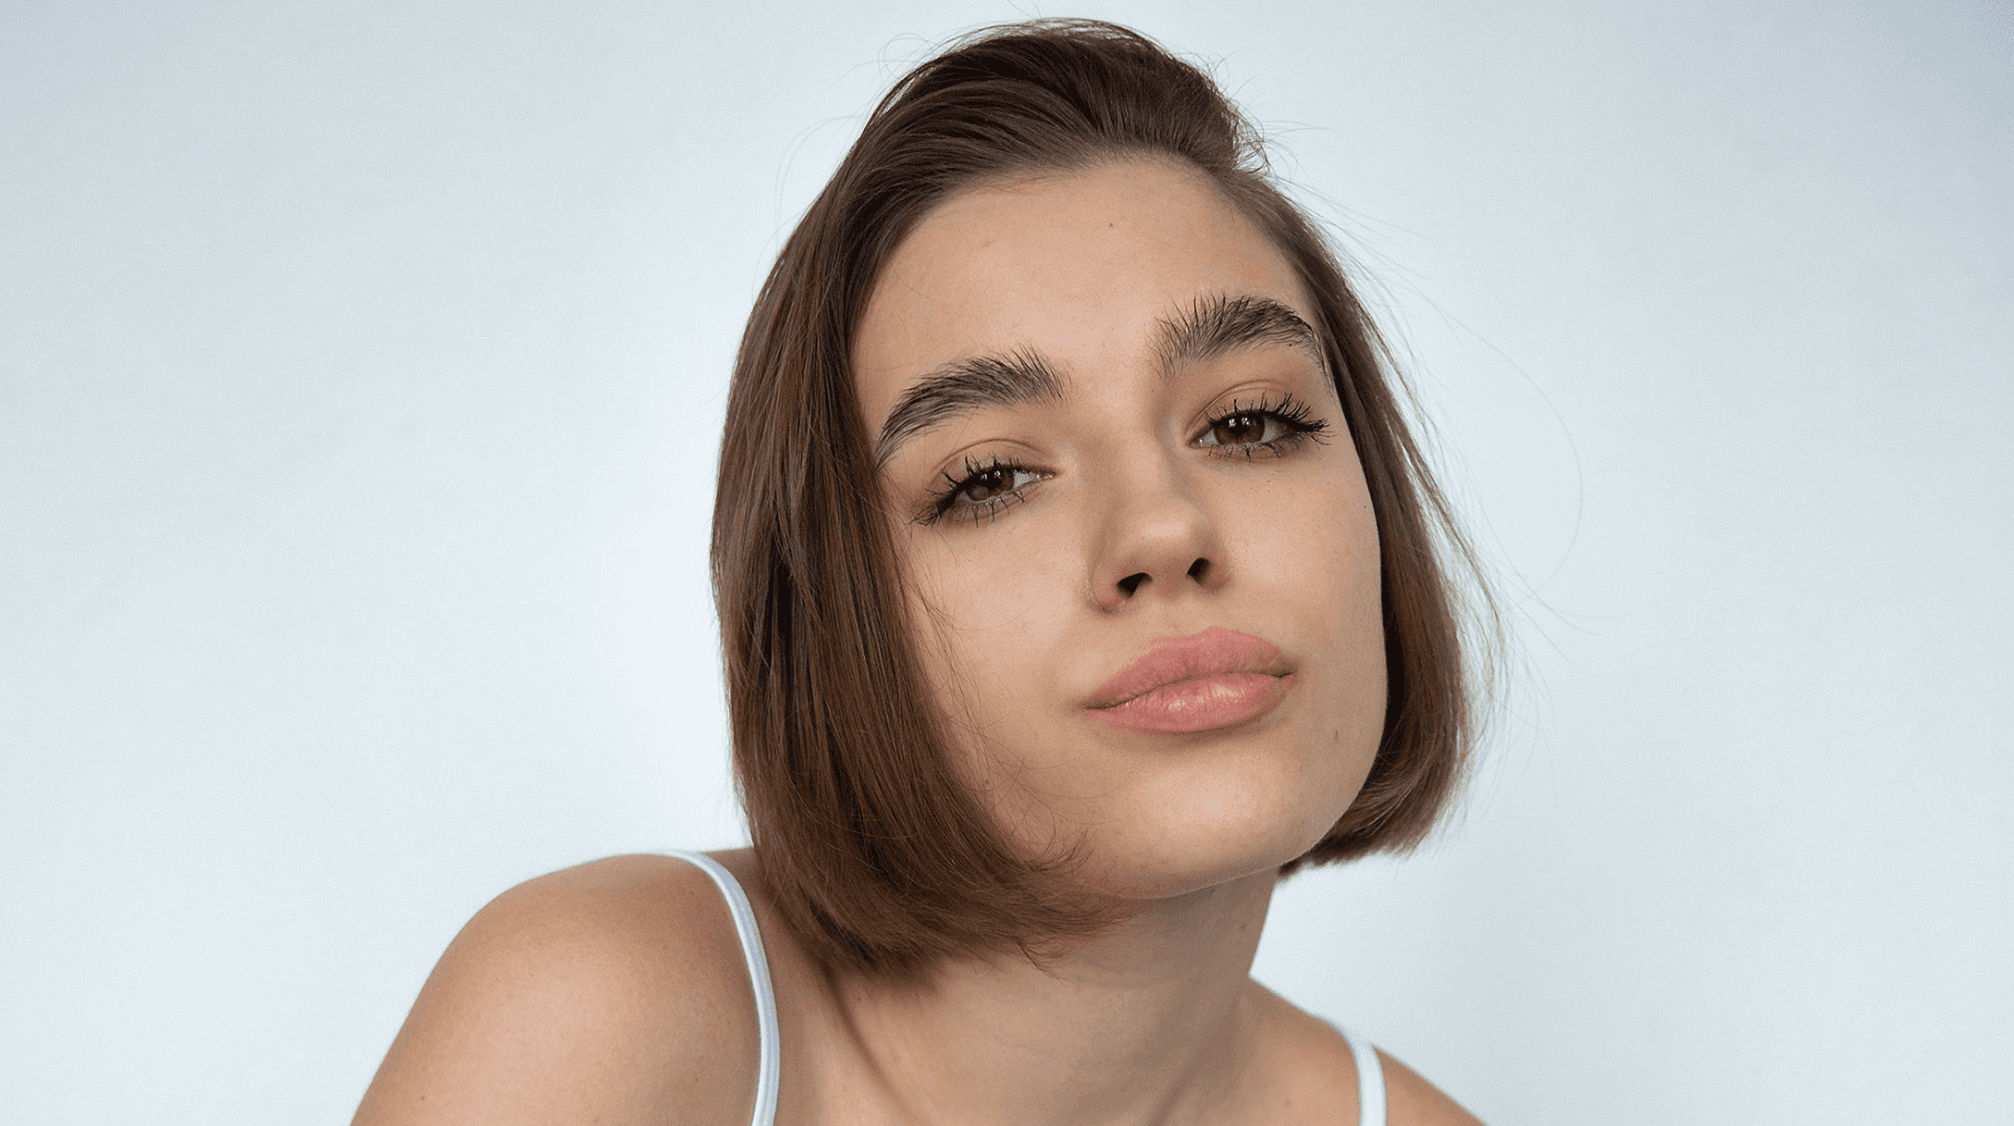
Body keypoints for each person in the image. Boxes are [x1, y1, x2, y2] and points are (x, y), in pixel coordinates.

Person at [355, 19, 1489, 1125]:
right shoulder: (601, 1019)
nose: (1161, 529)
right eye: (989, 478)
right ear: (836, 624)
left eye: (1248, 422)